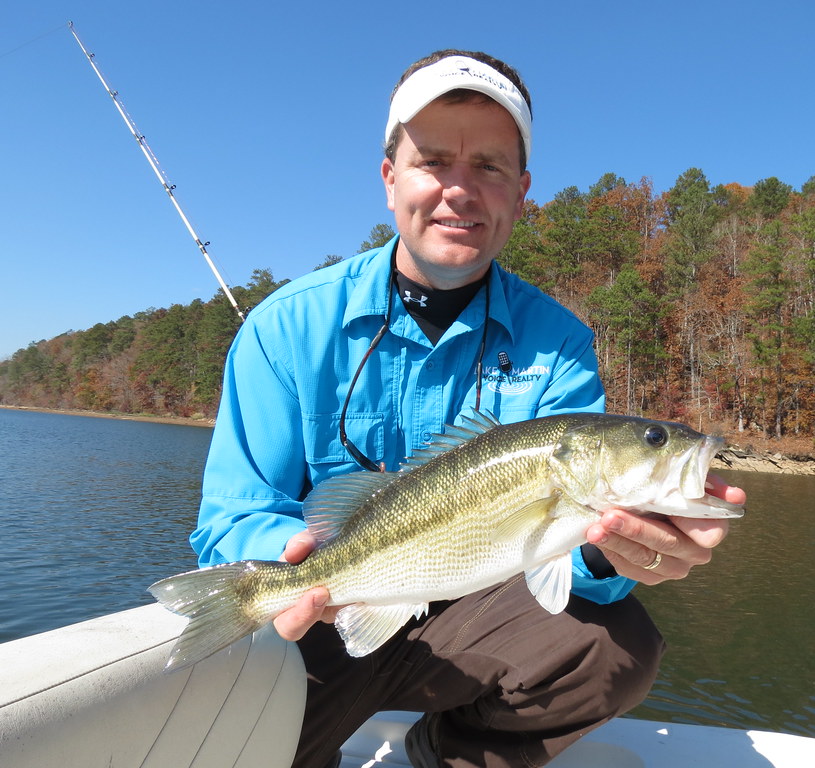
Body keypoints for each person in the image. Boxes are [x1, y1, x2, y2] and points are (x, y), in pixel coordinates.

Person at [191, 49, 745, 768]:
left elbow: (566, 570)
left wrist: (615, 549)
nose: (460, 189)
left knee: (617, 645)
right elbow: (229, 520)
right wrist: (294, 566)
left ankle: (446, 754)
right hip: (323, 620)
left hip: (473, 617)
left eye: (488, 167)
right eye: (433, 161)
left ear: (521, 192)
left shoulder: (561, 343)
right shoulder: (283, 327)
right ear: (390, 180)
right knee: (238, 749)